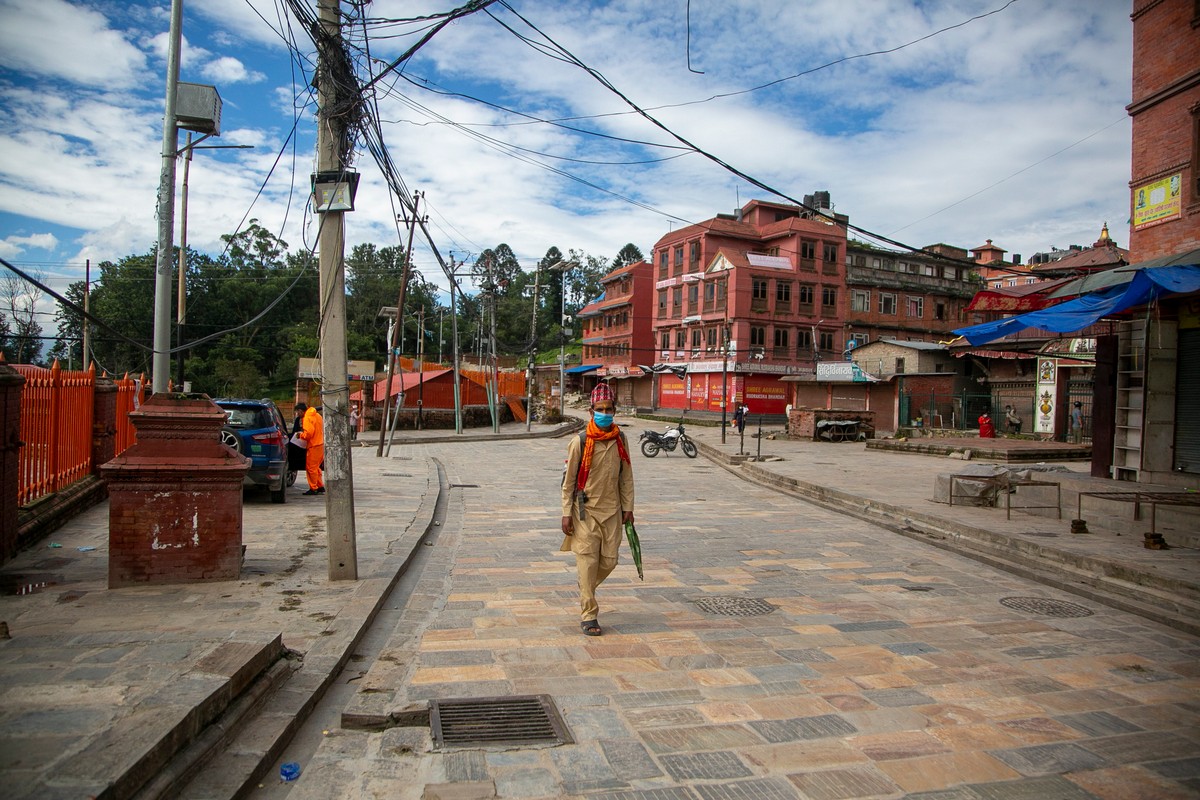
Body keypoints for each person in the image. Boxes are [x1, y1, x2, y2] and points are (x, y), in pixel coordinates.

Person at [560, 383, 634, 637]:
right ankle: (589, 614)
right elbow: (568, 482)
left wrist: (629, 507)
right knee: (589, 560)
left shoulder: (621, 439)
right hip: (585, 513)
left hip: (612, 511)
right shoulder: (579, 442)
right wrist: (566, 513)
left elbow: (626, 477)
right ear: (591, 411)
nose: (605, 412)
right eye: (600, 409)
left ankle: (586, 585)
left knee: (610, 561)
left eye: (609, 409)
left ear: (615, 410)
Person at [295, 402, 325, 495]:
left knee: (311, 468)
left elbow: (308, 434)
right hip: (320, 444)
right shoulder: (317, 415)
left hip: (314, 445)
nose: (297, 415)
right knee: (316, 467)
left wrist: (300, 435)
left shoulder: (307, 418)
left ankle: (313, 488)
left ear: (300, 411)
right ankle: (320, 486)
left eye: (297, 412)